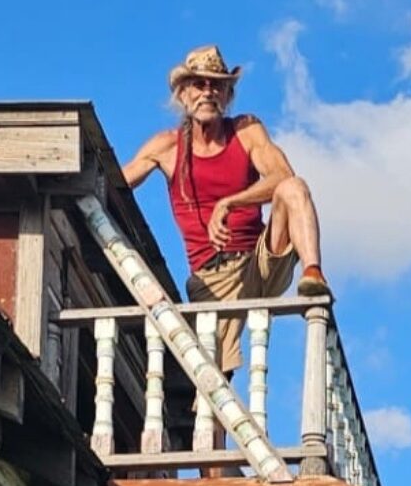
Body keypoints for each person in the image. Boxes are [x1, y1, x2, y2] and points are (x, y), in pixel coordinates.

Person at [123, 44, 331, 376]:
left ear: (228, 94)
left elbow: (282, 175)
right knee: (213, 377)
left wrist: (230, 202)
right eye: (199, 84)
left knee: (295, 188)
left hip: (261, 258)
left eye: (216, 85)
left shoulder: (245, 131)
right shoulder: (167, 146)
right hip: (212, 275)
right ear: (183, 94)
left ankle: (313, 275)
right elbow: (115, 183)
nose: (208, 92)